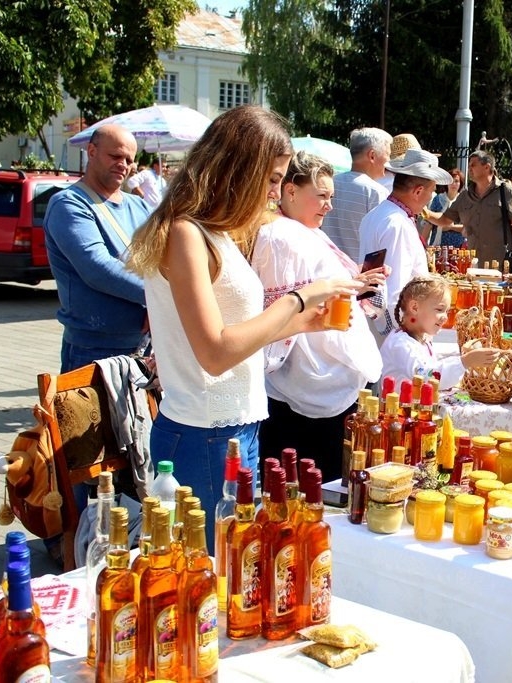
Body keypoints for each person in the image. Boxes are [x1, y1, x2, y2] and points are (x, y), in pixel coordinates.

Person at [127, 106, 359, 551]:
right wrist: (298, 298)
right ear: (238, 169)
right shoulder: (185, 233)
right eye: (271, 179)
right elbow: (215, 353)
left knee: (235, 566)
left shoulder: (213, 232)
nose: (274, 193)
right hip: (204, 431)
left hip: (235, 426)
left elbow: (235, 335)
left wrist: (299, 323)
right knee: (217, 569)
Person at [251, 151, 386, 480]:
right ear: (291, 191)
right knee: (306, 484)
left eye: (331, 197)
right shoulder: (279, 236)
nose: (329, 206)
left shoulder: (304, 230)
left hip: (328, 376)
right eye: (322, 196)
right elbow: (279, 311)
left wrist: (357, 284)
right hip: (306, 382)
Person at [44, 124, 151, 372]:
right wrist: (159, 296)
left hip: (145, 348)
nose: (123, 165)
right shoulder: (69, 204)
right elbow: (97, 268)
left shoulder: (140, 206)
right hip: (93, 350)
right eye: (115, 156)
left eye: (129, 160)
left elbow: (165, 258)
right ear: (91, 151)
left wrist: (159, 303)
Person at [359, 148, 451, 343]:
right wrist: (408, 340)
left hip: (376, 326)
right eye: (432, 191)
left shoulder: (377, 215)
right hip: (392, 335)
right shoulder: (397, 224)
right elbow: (397, 292)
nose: (431, 197)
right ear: (418, 191)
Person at [380, 275, 500, 390]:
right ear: (415, 307)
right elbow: (426, 376)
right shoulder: (400, 344)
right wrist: (465, 361)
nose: (445, 317)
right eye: (439, 310)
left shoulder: (423, 340)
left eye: (447, 311)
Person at [426, 151, 512, 270]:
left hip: (500, 265)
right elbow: (445, 219)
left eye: (473, 165)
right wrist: (424, 212)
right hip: (473, 265)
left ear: (487, 167)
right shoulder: (465, 195)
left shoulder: (506, 191)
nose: (469, 169)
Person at [323, 127, 392, 260]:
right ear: (372, 155)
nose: (389, 161)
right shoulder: (376, 192)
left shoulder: (330, 183)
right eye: (388, 155)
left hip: (327, 267)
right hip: (359, 270)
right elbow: (380, 243)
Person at [423, 167, 465, 247]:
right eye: (451, 181)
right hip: (437, 246)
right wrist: (423, 243)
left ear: (460, 184)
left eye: (456, 181)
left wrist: (451, 227)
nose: (453, 184)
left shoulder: (463, 201)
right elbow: (429, 223)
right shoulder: (437, 199)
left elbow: (468, 227)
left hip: (458, 247)